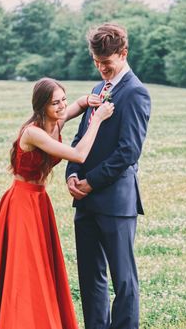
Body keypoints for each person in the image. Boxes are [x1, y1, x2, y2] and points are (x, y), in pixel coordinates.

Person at [0, 77, 114, 329]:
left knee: (40, 263)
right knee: (24, 265)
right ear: (40, 106)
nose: (61, 107)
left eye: (63, 100)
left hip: (38, 200)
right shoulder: (34, 132)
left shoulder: (55, 121)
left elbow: (76, 106)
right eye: (54, 103)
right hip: (21, 202)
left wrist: (86, 101)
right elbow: (79, 155)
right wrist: (98, 118)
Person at [66, 23, 151, 329]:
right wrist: (72, 174)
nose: (102, 68)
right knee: (90, 279)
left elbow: (128, 152)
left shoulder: (136, 92)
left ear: (123, 53)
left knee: (123, 280)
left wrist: (91, 182)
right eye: (97, 62)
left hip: (116, 201)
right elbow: (79, 138)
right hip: (85, 202)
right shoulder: (95, 91)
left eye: (107, 63)